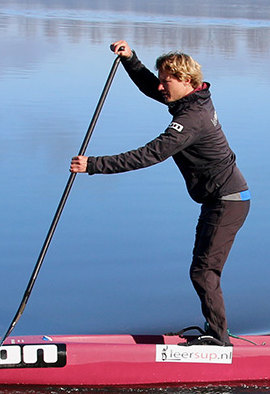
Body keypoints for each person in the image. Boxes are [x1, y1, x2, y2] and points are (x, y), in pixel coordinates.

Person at [70, 40, 250, 346]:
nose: (162, 87)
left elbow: (148, 155)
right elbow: (151, 87)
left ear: (185, 81)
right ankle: (215, 330)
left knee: (203, 272)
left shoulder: (191, 119)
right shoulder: (193, 100)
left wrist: (93, 165)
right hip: (221, 199)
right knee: (203, 270)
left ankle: (220, 342)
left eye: (167, 81)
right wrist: (130, 60)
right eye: (162, 81)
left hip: (226, 201)